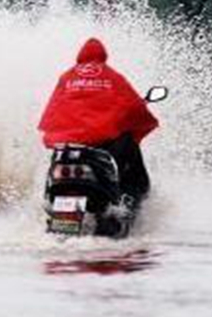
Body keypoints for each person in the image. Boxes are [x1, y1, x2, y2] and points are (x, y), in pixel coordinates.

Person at [37, 38, 159, 201]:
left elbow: (53, 108)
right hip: (102, 143)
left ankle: (47, 205)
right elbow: (132, 105)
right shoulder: (112, 77)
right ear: (103, 55)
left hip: (68, 145)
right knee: (130, 152)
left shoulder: (66, 78)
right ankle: (130, 200)